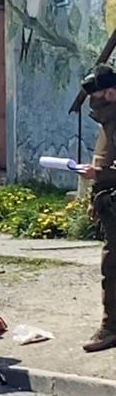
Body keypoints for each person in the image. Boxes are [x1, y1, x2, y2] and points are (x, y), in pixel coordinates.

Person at [78, 65, 116, 353]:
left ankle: (111, 327)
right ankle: (111, 325)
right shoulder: (109, 121)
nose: (95, 101)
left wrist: (99, 174)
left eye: (99, 94)